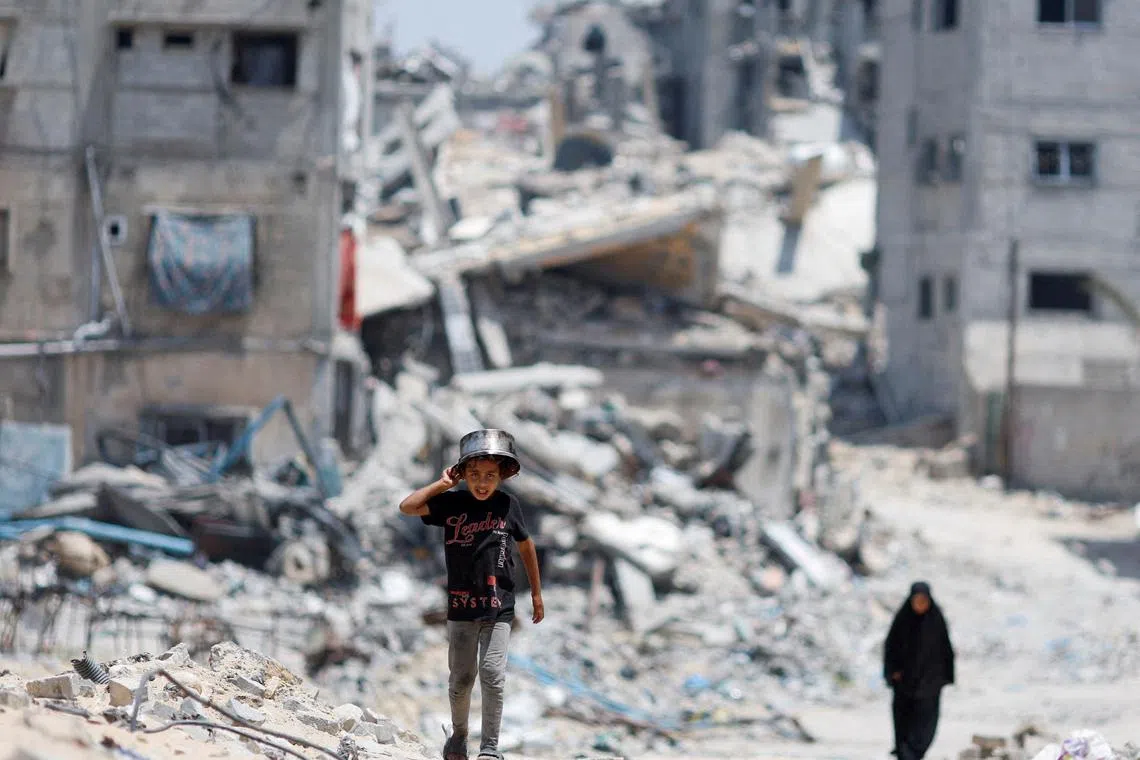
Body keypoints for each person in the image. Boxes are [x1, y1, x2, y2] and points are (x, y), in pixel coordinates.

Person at [399, 439, 544, 760]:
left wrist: (535, 592)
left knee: (492, 675)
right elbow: (407, 507)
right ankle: (459, 736)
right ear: (463, 473)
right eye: (474, 474)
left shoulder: (508, 506)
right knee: (461, 680)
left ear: (501, 476)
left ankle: (490, 748)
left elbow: (526, 547)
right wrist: (443, 483)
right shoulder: (452, 503)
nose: (482, 482)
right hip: (461, 608)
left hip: (500, 607)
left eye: (489, 475)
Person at [883, 581, 955, 760]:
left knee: (926, 724)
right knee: (903, 722)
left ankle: (915, 752)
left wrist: (946, 675)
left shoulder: (936, 621)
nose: (920, 605)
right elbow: (891, 647)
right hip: (905, 683)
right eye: (917, 601)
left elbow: (945, 649)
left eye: (924, 601)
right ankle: (905, 753)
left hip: (930, 684)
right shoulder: (902, 621)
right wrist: (892, 672)